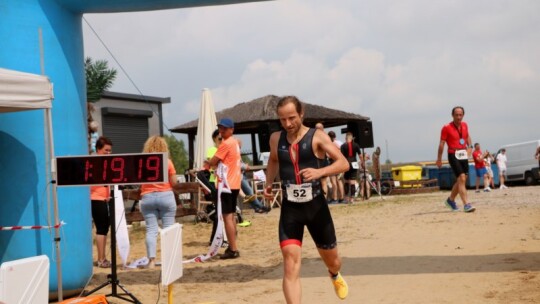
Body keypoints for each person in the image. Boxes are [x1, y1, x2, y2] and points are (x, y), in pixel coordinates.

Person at [263, 96, 350, 302]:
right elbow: (274, 160)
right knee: (290, 263)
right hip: (290, 209)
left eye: (292, 118)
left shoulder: (317, 137)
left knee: (334, 261)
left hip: (316, 207)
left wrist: (321, 173)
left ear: (302, 113)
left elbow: (343, 163)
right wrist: (268, 183)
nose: (288, 124)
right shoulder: (276, 138)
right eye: (282, 119)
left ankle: (334, 274)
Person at [139, 136, 179, 268]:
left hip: (147, 197)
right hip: (166, 196)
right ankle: (169, 260)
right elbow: (174, 182)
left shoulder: (142, 163)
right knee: (168, 229)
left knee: (151, 230)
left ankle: (151, 261)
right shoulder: (167, 162)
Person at [209, 118, 242, 259]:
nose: (221, 130)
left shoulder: (225, 144)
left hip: (226, 185)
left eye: (224, 128)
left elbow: (213, 162)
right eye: (220, 128)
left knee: (227, 217)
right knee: (232, 216)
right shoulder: (235, 142)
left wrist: (209, 163)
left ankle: (233, 249)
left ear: (231, 129)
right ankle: (233, 246)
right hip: (234, 184)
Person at [436, 106, 476, 213]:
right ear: (452, 115)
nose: (459, 117)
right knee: (462, 177)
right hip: (453, 154)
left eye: (460, 115)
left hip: (463, 154)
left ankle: (450, 200)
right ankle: (466, 204)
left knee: (462, 180)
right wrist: (439, 159)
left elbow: (467, 136)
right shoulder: (446, 127)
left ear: (463, 115)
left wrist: (470, 147)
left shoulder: (465, 125)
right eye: (456, 115)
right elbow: (441, 144)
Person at [90, 136, 113, 268]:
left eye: (110, 151)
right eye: (106, 150)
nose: (109, 153)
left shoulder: (106, 163)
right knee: (101, 229)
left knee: (105, 229)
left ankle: (103, 257)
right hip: (96, 199)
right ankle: (100, 259)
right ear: (98, 149)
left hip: (105, 199)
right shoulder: (94, 163)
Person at [340, 132, 361, 203]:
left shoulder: (343, 146)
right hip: (354, 164)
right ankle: (352, 199)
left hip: (346, 164)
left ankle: (346, 198)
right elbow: (360, 156)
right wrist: (362, 163)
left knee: (346, 182)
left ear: (346, 138)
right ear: (352, 138)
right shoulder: (356, 145)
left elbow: (341, 157)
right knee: (352, 182)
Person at [327, 131, 345, 203]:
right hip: (338, 163)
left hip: (333, 163)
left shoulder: (332, 143)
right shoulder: (339, 143)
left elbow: (329, 154)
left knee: (334, 181)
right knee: (339, 181)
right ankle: (341, 197)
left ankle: (334, 198)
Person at [315, 122, 330, 199]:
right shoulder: (326, 137)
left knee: (323, 182)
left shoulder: (319, 137)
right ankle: (322, 199)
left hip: (321, 161)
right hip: (319, 161)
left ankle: (324, 199)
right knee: (321, 182)